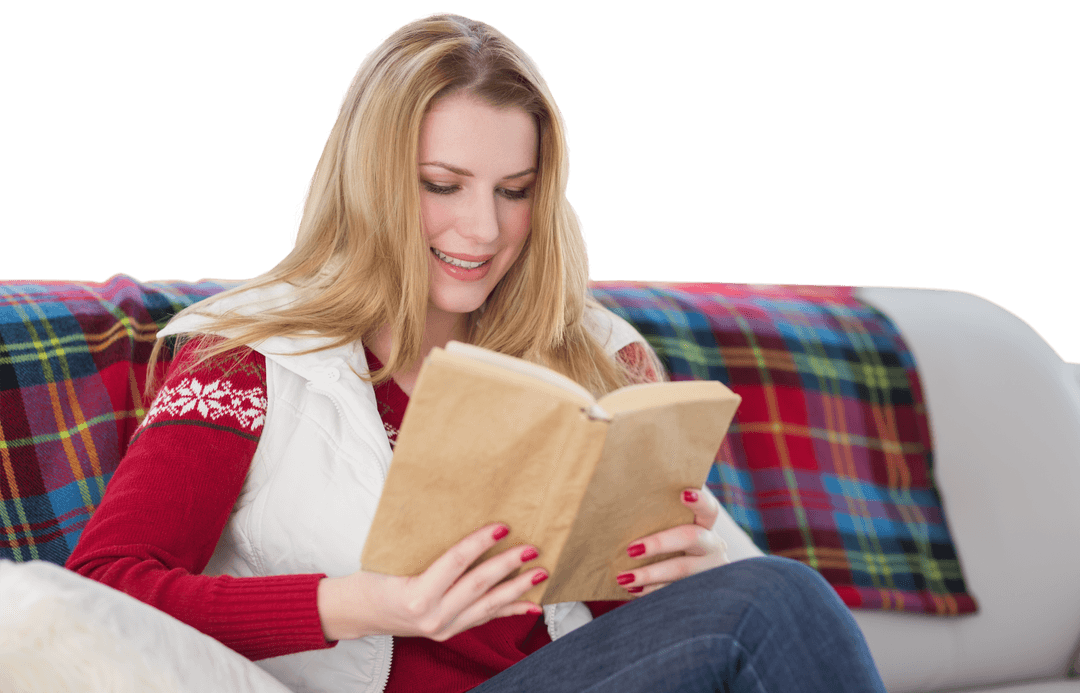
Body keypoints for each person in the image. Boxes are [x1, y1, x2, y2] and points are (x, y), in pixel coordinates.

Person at [66, 12, 887, 693]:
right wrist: (368, 603)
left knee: (764, 597)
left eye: (514, 191)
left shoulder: (594, 354)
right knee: (772, 600)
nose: (484, 229)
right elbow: (100, 587)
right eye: (443, 184)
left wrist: (687, 569)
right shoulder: (248, 355)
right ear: (373, 181)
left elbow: (681, 627)